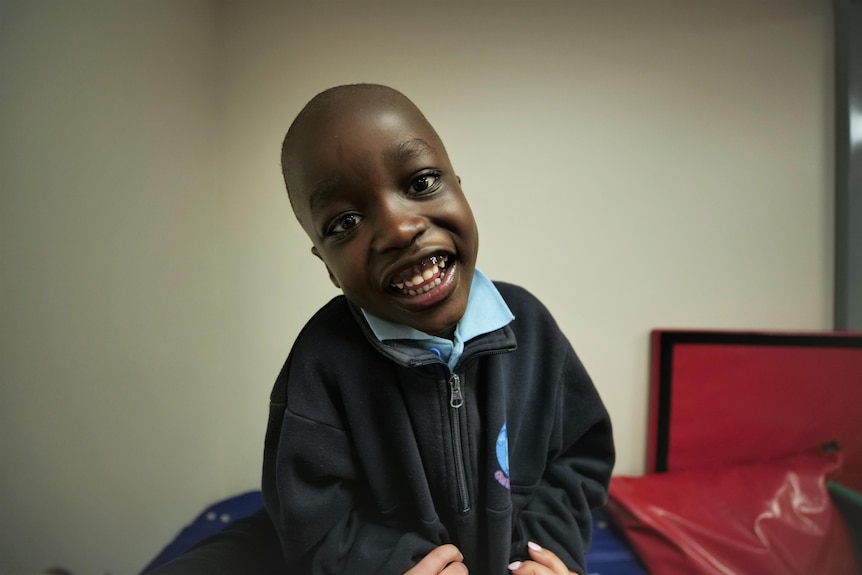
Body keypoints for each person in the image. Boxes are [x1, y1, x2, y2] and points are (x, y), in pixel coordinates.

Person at [149, 83, 614, 575]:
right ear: (326, 265)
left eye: (420, 183)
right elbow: (310, 516)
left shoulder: (531, 327)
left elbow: (579, 459)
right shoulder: (322, 360)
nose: (397, 228)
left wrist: (552, 552)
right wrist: (392, 564)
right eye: (345, 221)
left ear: (458, 184)